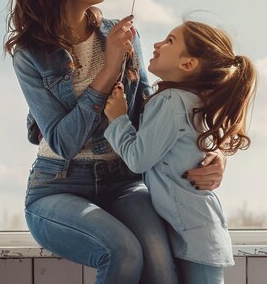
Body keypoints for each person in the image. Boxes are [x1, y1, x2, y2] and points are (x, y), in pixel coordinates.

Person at [4, 0, 228, 284]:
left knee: (161, 270)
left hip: (124, 182)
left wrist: (207, 150)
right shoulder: (31, 54)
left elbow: (152, 113)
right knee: (122, 252)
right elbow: (63, 142)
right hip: (58, 187)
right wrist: (108, 71)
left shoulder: (122, 35)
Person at [103, 21, 257, 284]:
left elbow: (138, 159)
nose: (157, 44)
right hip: (199, 234)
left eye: (170, 41)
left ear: (188, 64)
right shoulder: (194, 102)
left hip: (193, 237)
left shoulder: (170, 101)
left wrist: (117, 119)